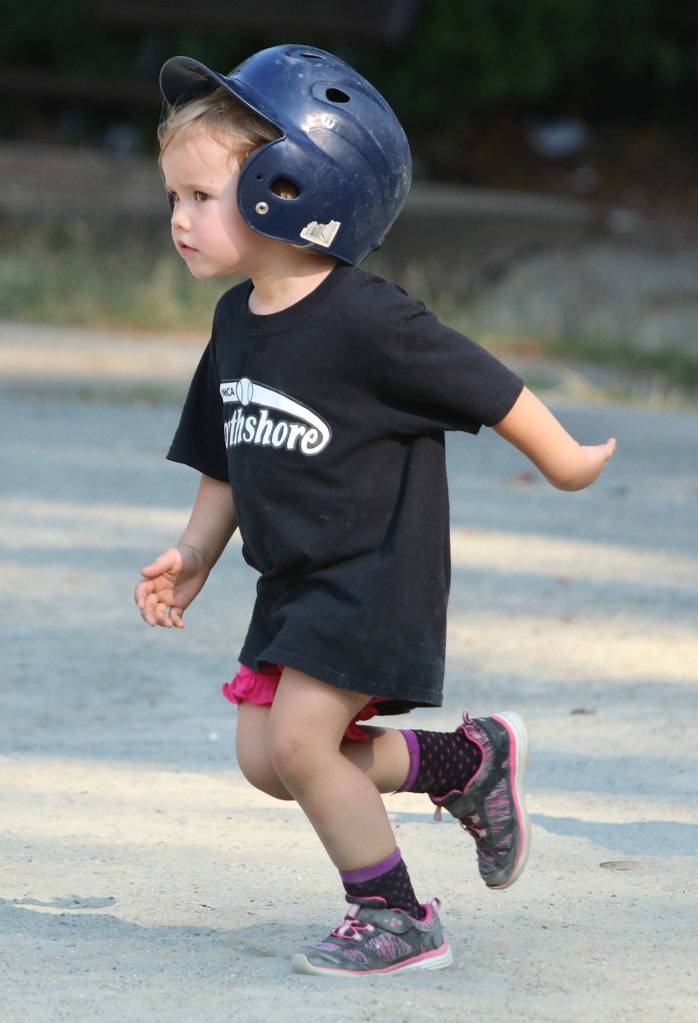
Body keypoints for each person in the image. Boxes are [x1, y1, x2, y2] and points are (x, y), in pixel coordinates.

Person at [134, 44, 616, 977]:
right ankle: (465, 764)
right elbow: (225, 451)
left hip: (374, 576)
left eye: (200, 198)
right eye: (173, 200)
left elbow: (490, 386)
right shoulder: (237, 320)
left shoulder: (370, 320)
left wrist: (563, 462)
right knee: (266, 756)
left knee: (305, 739)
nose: (178, 220)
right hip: (294, 580)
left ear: (293, 184)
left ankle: (395, 914)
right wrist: (195, 552)